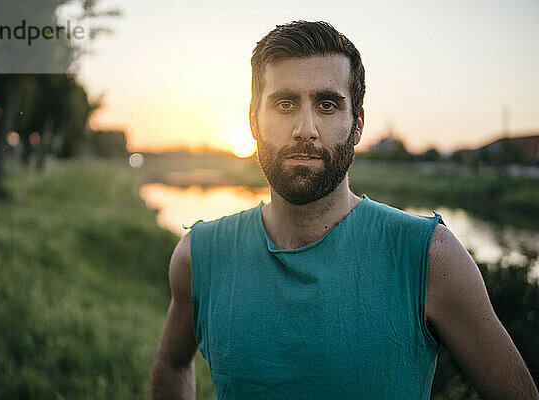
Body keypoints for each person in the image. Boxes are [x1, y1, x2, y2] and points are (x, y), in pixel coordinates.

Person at [150, 21, 538, 400]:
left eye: (327, 105)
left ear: (357, 124)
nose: (305, 128)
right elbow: (171, 364)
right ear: (254, 120)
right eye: (285, 104)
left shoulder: (430, 257)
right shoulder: (199, 255)